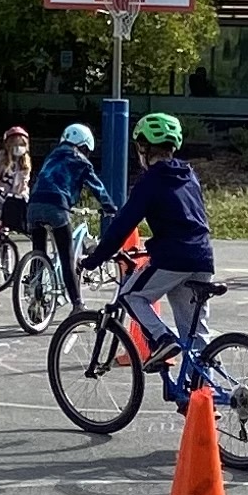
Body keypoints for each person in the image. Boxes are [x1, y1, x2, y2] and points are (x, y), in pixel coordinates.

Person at [80, 113, 216, 374]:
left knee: (131, 295)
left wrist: (94, 259)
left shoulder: (150, 181)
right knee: (195, 332)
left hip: (173, 258)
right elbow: (188, 219)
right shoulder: (189, 175)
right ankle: (201, 397)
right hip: (203, 256)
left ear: (142, 148)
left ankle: (162, 340)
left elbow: (123, 224)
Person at [27, 123, 115, 315]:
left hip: (33, 205)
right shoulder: (80, 160)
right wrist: (110, 208)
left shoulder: (52, 156)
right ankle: (77, 305)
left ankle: (35, 298)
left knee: (38, 252)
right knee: (67, 256)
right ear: (84, 145)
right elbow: (97, 187)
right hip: (56, 206)